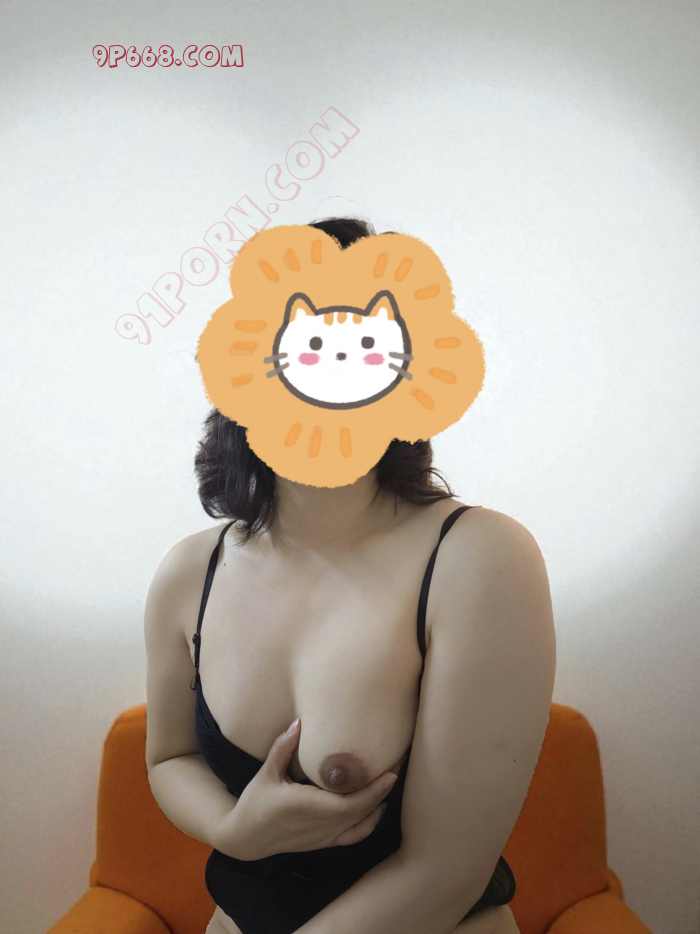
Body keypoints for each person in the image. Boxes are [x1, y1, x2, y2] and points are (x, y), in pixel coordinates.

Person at [145, 217, 556, 934]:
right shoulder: (189, 572)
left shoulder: (480, 557)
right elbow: (170, 756)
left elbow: (445, 871)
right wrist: (234, 830)